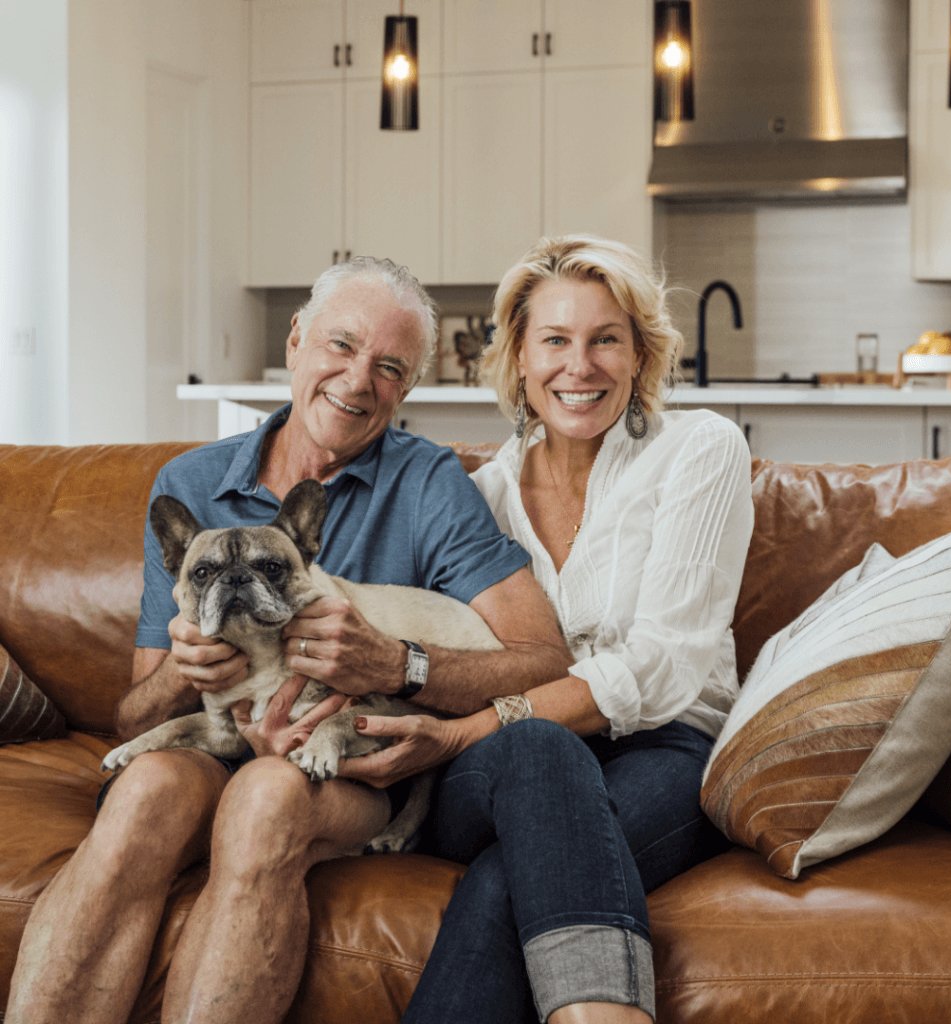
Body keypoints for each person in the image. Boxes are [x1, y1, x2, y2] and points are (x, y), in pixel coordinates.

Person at [3, 256, 573, 1024]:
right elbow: (136, 721)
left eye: (389, 366)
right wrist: (184, 669)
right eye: (340, 345)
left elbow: (546, 662)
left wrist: (396, 662)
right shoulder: (190, 485)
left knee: (267, 797)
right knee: (142, 793)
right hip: (219, 741)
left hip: (350, 768)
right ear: (296, 341)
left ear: (406, 389)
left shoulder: (431, 486)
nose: (358, 379)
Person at [333, 236, 755, 1024]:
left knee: (506, 880)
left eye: (606, 340)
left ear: (640, 354)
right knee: (536, 749)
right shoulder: (478, 497)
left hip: (663, 748)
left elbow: (665, 664)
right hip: (497, 765)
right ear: (519, 358)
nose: (580, 366)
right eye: (555, 340)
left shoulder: (700, 448)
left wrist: (474, 731)